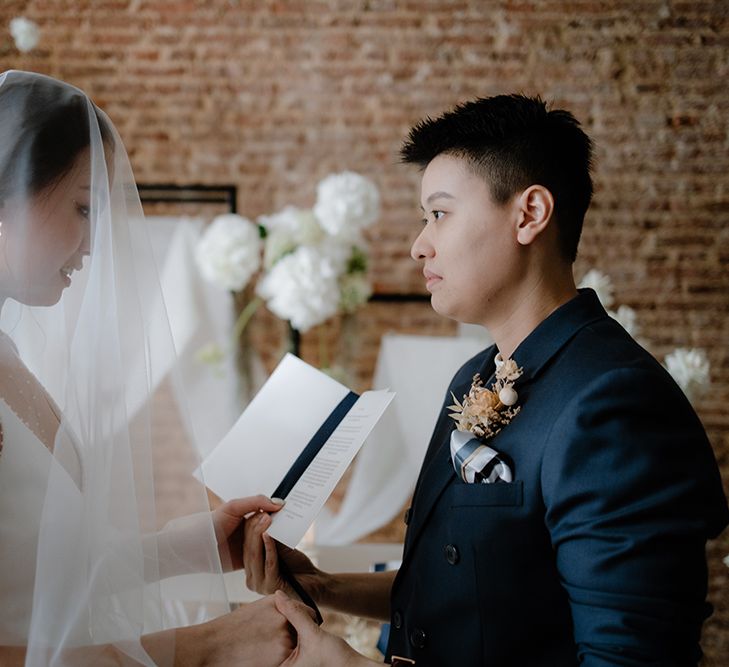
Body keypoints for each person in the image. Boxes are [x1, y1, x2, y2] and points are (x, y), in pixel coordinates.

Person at [244, 94, 729, 665]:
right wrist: (323, 587)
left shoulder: (613, 403)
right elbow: (471, 590)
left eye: (440, 213)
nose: (418, 244)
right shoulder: (473, 377)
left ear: (529, 215)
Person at [0, 70, 294, 666]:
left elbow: (41, 574)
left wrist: (188, 549)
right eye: (84, 206)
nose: (93, 242)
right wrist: (206, 646)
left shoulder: (8, 357)